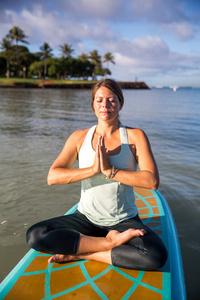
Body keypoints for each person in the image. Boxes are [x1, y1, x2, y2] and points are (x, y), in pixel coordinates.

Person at [26, 79, 167, 270]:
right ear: (92, 104)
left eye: (111, 100)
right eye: (99, 100)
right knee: (36, 235)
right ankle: (108, 243)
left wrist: (110, 171)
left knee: (155, 256)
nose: (105, 105)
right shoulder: (79, 137)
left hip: (124, 219)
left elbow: (151, 181)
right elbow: (53, 176)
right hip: (85, 217)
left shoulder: (135, 136)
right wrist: (92, 170)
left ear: (120, 103)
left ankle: (86, 254)